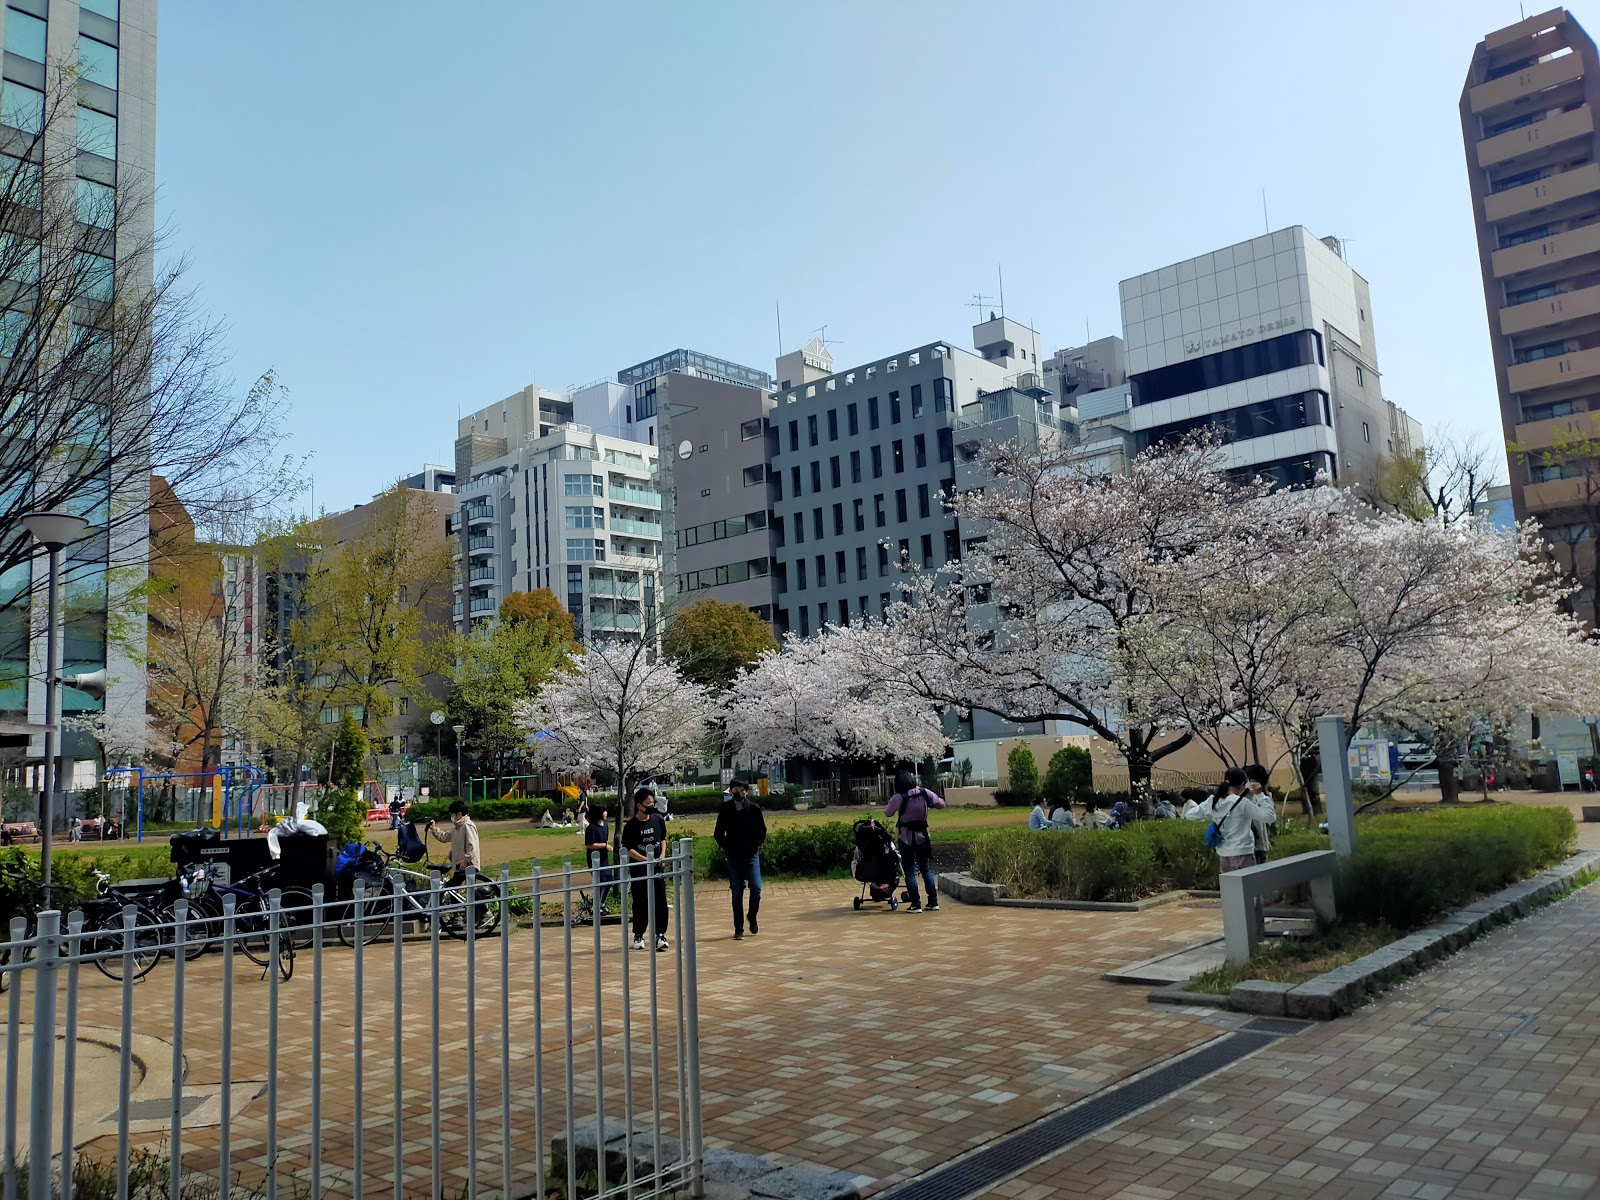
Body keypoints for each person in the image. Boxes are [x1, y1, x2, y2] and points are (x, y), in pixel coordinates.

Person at [713, 778, 767, 940]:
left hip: (751, 856)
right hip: (734, 857)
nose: (738, 793)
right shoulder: (726, 809)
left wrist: (756, 844)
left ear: (747, 791)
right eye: (734, 790)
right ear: (731, 791)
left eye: (741, 790)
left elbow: (762, 830)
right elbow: (718, 833)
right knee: (737, 894)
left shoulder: (754, 809)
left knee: (756, 889)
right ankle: (739, 927)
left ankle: (752, 915)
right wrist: (728, 847)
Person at [885, 768, 945, 913]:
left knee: (909, 870)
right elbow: (941, 804)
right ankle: (933, 901)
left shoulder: (899, 797)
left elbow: (888, 813)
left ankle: (916, 904)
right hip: (923, 836)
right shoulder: (924, 792)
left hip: (906, 837)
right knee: (926, 868)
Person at [620, 787, 670, 951]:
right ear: (639, 805)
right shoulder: (631, 826)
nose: (651, 805)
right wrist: (645, 860)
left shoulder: (658, 820)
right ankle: (638, 934)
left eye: (653, 803)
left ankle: (660, 935)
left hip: (657, 870)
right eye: (648, 803)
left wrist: (661, 855)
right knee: (641, 903)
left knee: (660, 902)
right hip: (640, 872)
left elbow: (662, 839)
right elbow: (629, 849)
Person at [426, 799, 481, 885]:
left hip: (468, 865)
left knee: (455, 887)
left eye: (453, 814)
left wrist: (466, 860)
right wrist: (434, 829)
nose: (452, 817)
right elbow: (444, 837)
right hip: (460, 864)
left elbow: (473, 846)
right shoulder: (456, 828)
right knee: (456, 890)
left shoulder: (467, 825)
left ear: (459, 814)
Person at [583, 805, 616, 916]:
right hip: (594, 859)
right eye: (604, 811)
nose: (606, 813)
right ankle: (597, 905)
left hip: (604, 858)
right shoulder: (591, 828)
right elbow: (589, 845)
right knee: (600, 881)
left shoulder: (606, 826)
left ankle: (602, 903)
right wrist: (604, 845)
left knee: (609, 879)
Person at [1243, 764, 1278, 865]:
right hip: (1247, 847)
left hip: (1259, 845)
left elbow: (1270, 817)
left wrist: (1258, 794)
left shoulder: (1261, 797)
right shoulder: (1241, 797)